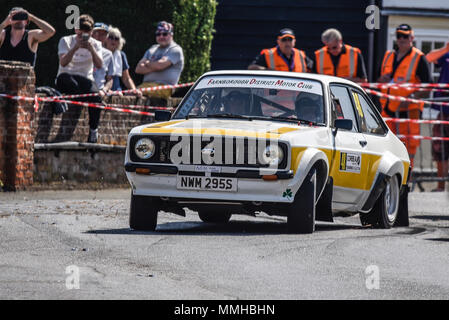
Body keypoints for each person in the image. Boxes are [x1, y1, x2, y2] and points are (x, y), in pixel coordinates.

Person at [378, 24, 432, 167]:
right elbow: (376, 79)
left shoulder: (419, 58)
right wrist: (381, 79)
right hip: (388, 110)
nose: (401, 39)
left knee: (408, 145)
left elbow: (428, 87)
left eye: (405, 36)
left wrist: (410, 99)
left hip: (409, 111)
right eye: (399, 36)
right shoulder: (388, 55)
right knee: (387, 144)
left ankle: (407, 178)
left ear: (412, 38)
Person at [55, 14, 103, 143]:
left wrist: (91, 49)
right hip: (66, 76)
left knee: (96, 97)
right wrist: (75, 47)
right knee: (68, 82)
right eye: (80, 33)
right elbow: (63, 63)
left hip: (85, 78)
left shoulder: (96, 44)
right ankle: (84, 99)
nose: (83, 37)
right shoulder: (66, 40)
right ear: (76, 30)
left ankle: (93, 131)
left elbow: (99, 65)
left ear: (91, 32)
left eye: (87, 33)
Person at [135, 21, 184, 99]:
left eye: (165, 34)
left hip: (164, 88)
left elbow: (160, 65)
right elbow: (138, 69)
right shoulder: (152, 48)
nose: (161, 36)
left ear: (171, 35)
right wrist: (155, 66)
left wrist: (147, 63)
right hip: (145, 86)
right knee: (132, 93)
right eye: (158, 34)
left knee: (134, 93)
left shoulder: (175, 50)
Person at [426, 43, 449, 191]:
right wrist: (445, 49)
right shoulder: (446, 54)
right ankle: (441, 186)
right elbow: (428, 57)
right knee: (440, 148)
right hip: (444, 110)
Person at [248, 28, 312, 73]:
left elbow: (311, 70)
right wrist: (266, 70)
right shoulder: (268, 54)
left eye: (290, 40)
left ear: (294, 41)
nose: (287, 43)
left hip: (298, 90)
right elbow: (251, 67)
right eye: (284, 40)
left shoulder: (301, 55)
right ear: (278, 41)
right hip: (275, 91)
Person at [104, 26, 141, 97]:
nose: (113, 40)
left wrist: (134, 90)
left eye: (116, 38)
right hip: (102, 87)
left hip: (116, 90)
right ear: (106, 39)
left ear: (119, 42)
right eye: (111, 37)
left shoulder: (121, 55)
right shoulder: (100, 52)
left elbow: (126, 78)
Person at [91, 22, 115, 98]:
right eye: (97, 33)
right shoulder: (83, 49)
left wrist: (104, 90)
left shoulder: (109, 54)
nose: (99, 36)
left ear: (106, 37)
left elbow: (110, 79)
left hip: (99, 91)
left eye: (103, 34)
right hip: (84, 88)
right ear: (91, 34)